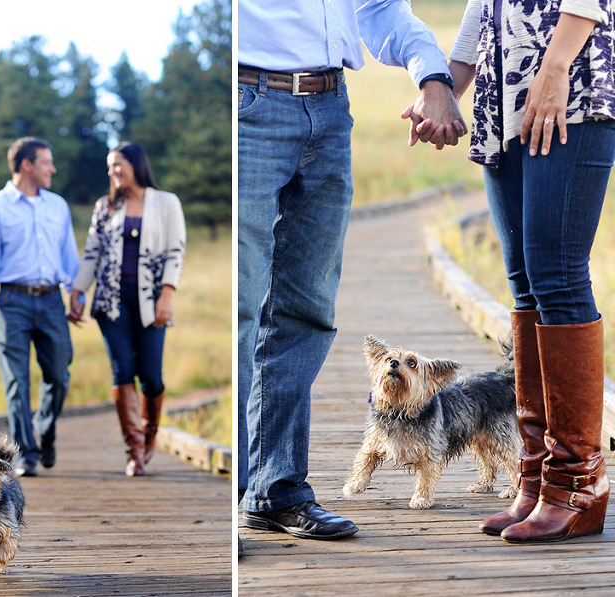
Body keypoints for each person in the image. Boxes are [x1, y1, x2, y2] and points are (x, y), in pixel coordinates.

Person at [237, 0, 467, 550]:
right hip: (245, 104)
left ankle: (277, 490)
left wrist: (434, 78)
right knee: (239, 309)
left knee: (307, 310)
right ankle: (236, 499)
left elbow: (382, 8)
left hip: (330, 110)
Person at [444, 0, 615, 543]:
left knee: (558, 276)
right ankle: (540, 471)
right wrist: (448, 86)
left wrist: (556, 66)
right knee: (523, 281)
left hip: (568, 87)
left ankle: (577, 483)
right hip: (505, 93)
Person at [69, 142, 186, 477]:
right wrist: (78, 291)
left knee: (150, 376)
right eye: (109, 166)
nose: (113, 172)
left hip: (151, 301)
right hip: (110, 301)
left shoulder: (166, 202)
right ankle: (133, 450)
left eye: (118, 164)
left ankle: (149, 437)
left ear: (136, 164)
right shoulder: (105, 206)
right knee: (122, 371)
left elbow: (176, 250)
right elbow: (92, 253)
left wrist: (168, 293)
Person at [0, 136, 79, 477]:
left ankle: (44, 430)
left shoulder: (57, 205)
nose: (53, 169)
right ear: (27, 165)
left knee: (59, 375)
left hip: (51, 300)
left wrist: (76, 294)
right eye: (47, 162)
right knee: (16, 381)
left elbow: (68, 256)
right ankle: (27, 452)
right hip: (11, 302)